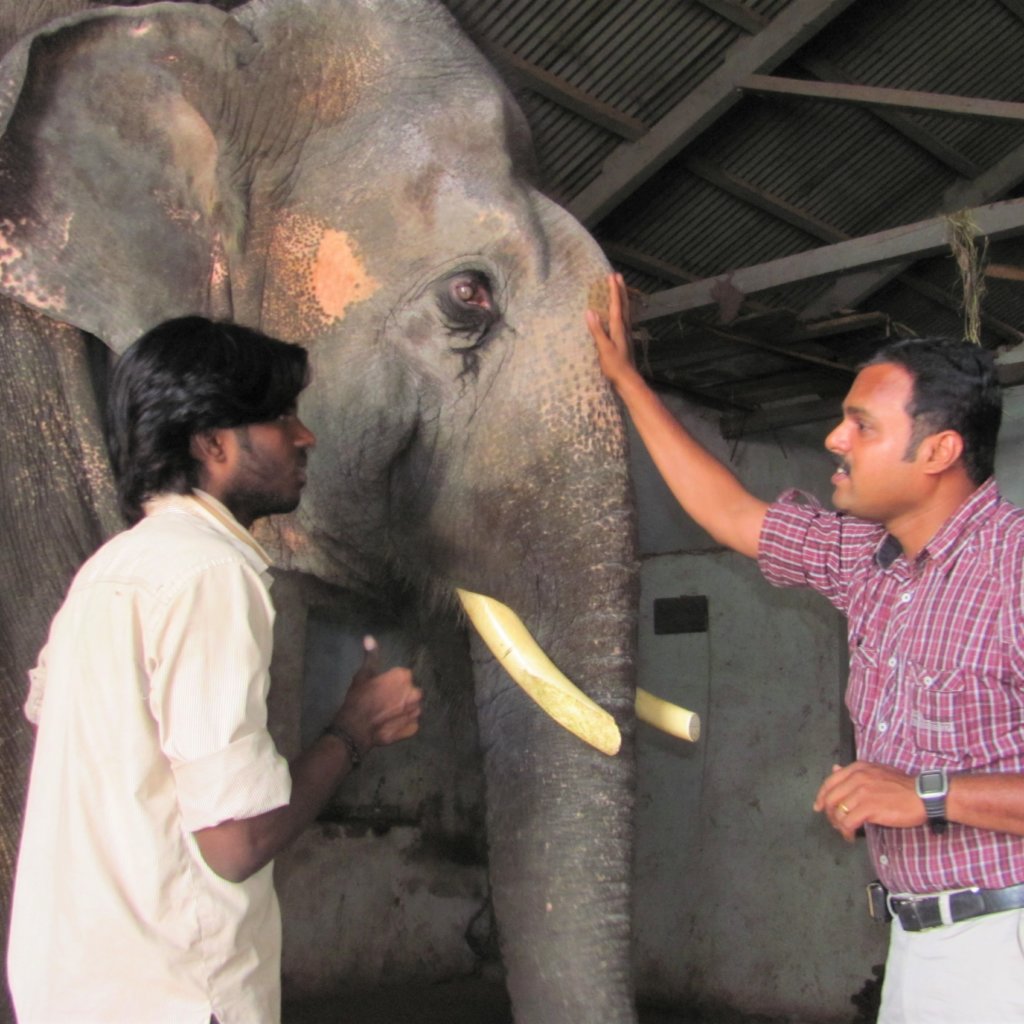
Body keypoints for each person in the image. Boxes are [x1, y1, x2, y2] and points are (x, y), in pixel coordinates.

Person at [587, 274, 1024, 1023]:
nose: (834, 439)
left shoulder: (1014, 569)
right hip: (922, 942)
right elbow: (730, 511)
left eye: (863, 426)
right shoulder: (870, 562)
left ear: (939, 451)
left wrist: (923, 793)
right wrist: (627, 381)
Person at [7, 316, 423, 1024]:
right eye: (282, 417)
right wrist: (355, 731)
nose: (305, 437)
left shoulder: (109, 570)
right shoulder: (211, 575)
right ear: (212, 443)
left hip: (70, 987)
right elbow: (235, 843)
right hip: (170, 995)